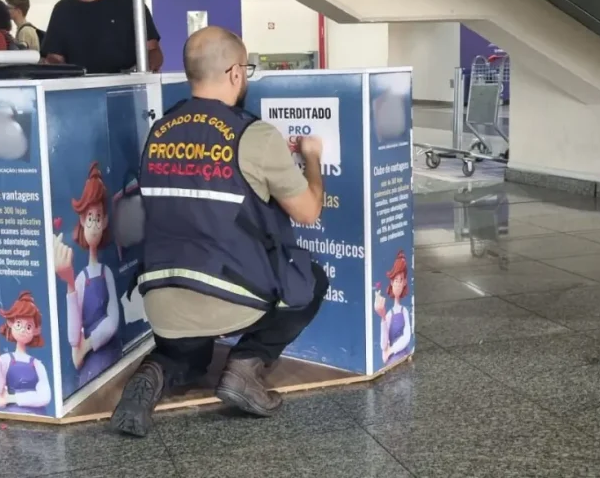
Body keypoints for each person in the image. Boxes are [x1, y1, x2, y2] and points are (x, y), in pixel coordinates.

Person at [110, 26, 327, 437]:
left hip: (162, 299)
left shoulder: (159, 132)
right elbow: (309, 212)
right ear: (233, 73)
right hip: (229, 294)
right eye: (245, 69)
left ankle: (155, 372)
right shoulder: (253, 134)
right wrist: (311, 158)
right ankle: (245, 368)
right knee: (312, 280)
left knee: (188, 353)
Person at [53, 162, 123, 388]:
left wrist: (88, 344)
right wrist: (70, 282)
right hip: (90, 359)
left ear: (104, 222)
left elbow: (113, 321)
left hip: (107, 348)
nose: (94, 225)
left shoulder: (107, 273)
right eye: (89, 218)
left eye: (98, 218)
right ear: (82, 221)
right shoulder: (81, 278)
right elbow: (74, 335)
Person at [0, 290, 52, 415]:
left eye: (28, 327)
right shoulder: (6, 359)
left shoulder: (37, 364)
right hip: (13, 413)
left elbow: (45, 397)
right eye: (18, 324)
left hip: (38, 415)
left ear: (36, 330)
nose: (23, 329)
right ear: (10, 323)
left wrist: (12, 398)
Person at [375, 250, 412, 366]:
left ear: (405, 282)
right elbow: (383, 344)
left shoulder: (404, 311)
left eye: (401, 280)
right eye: (396, 280)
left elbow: (407, 336)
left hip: (403, 353)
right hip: (394, 358)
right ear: (391, 282)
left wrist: (391, 350)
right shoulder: (389, 314)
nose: (398, 284)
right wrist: (383, 318)